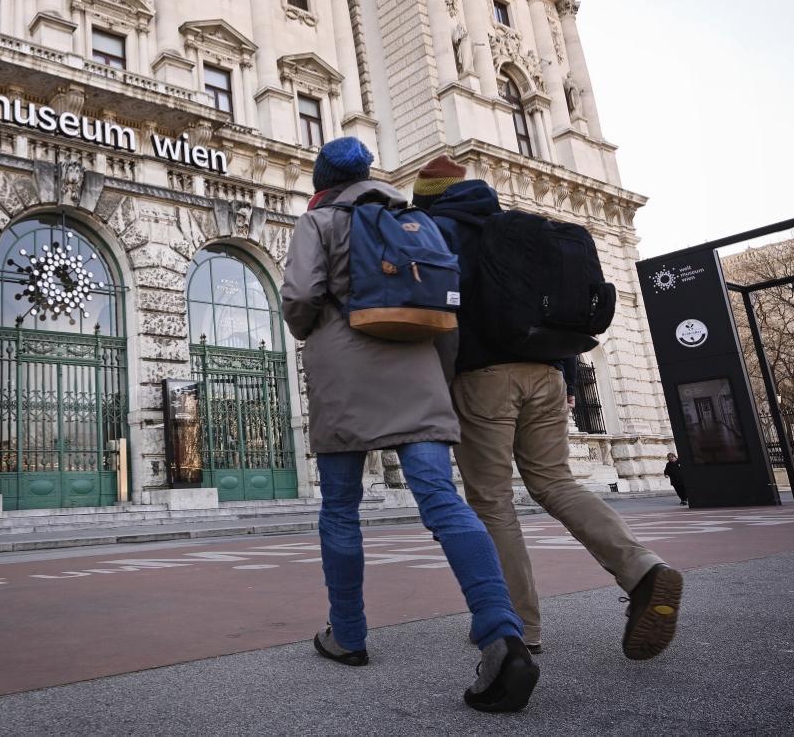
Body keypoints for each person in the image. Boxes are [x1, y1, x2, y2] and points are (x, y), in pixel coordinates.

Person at [281, 137, 539, 713]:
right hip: (419, 370)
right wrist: (435, 379)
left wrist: (311, 329)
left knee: (341, 506)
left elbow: (300, 297)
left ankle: (347, 635)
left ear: (323, 179)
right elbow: (445, 308)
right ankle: (501, 632)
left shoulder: (320, 221)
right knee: (444, 502)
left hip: (346, 378)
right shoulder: (417, 219)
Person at [422, 155, 683, 660]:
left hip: (484, 378)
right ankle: (643, 569)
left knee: (492, 501)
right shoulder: (517, 227)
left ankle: (518, 625)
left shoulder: (439, 230)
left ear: (429, 197)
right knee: (556, 483)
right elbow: (555, 306)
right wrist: (564, 373)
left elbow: (440, 308)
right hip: (546, 372)